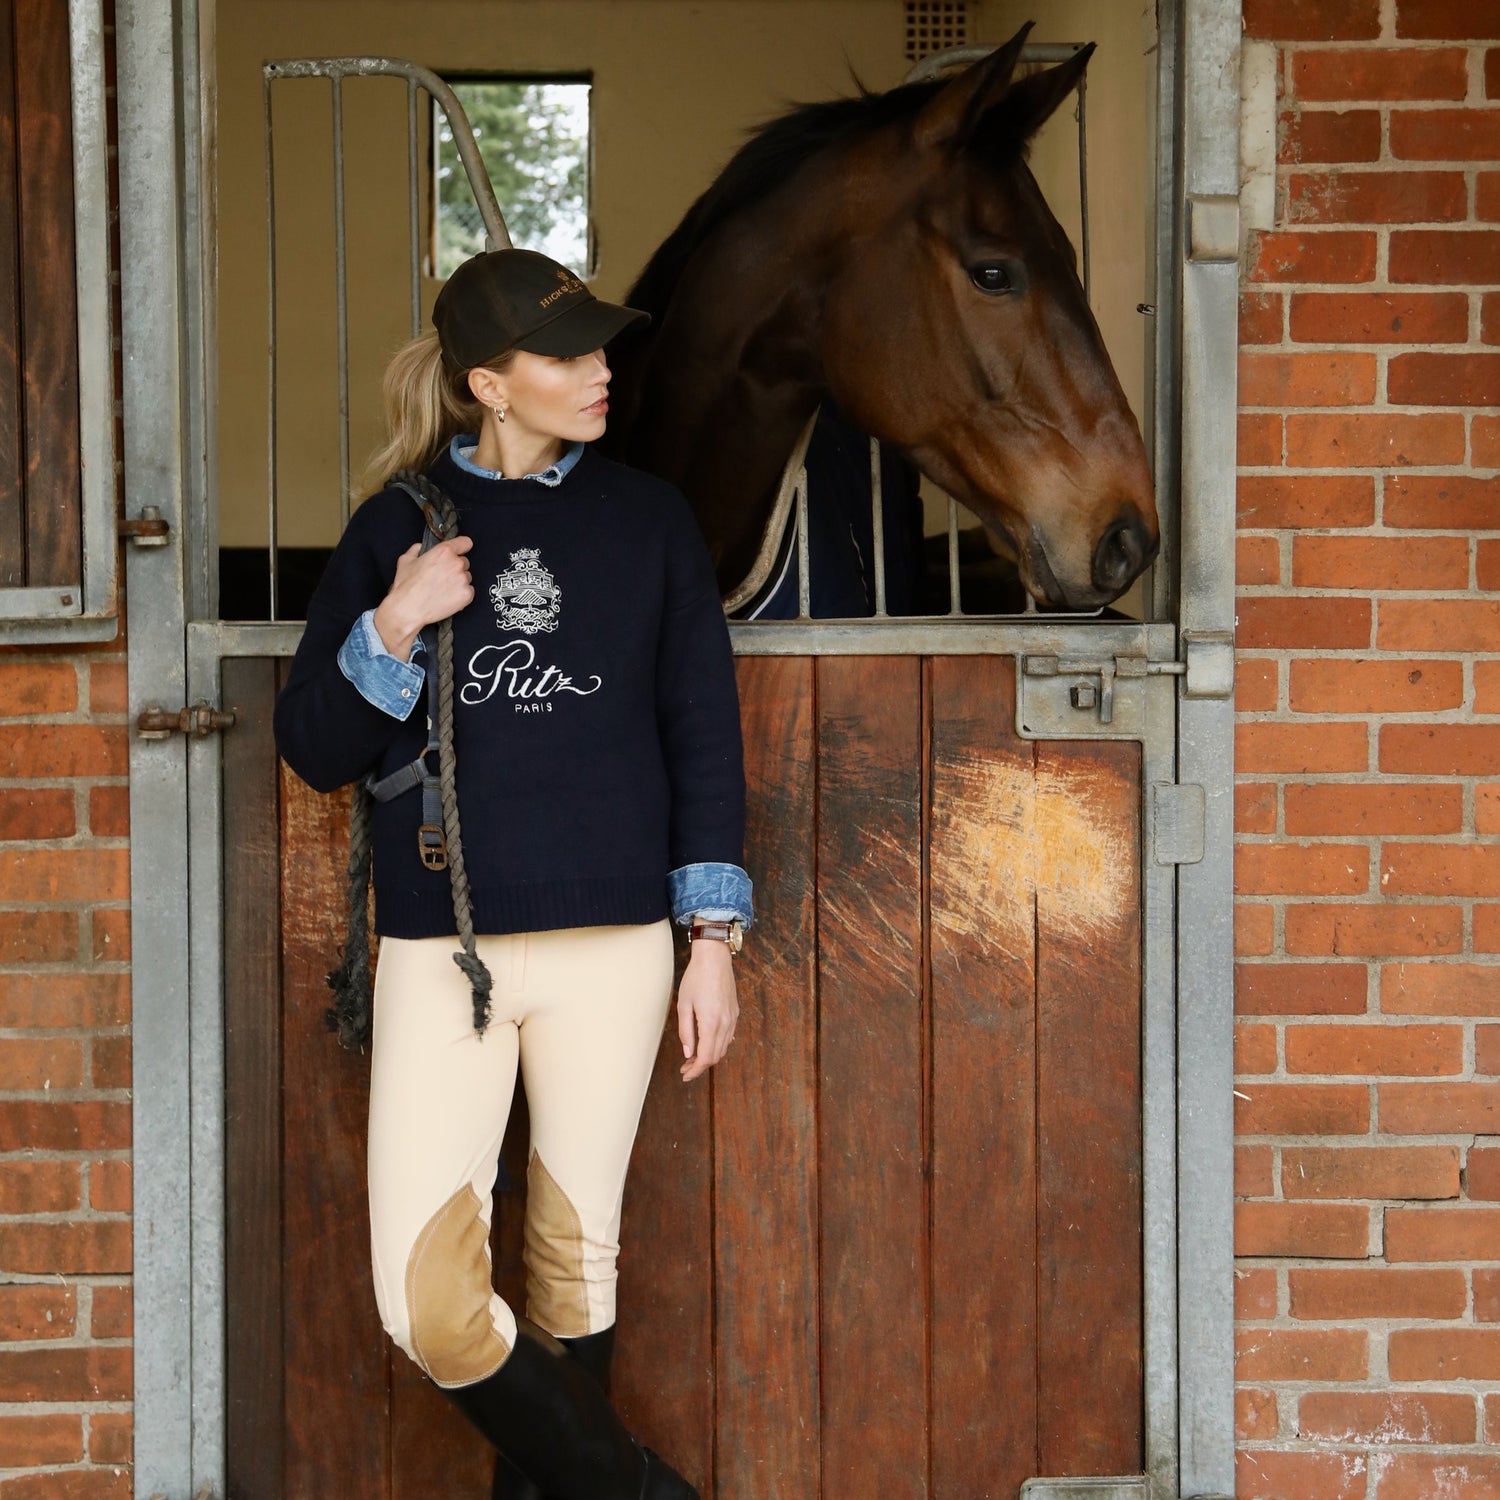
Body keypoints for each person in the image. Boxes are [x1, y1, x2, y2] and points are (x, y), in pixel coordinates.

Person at [273, 247, 751, 1500]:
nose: (601, 372)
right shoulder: (398, 529)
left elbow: (702, 732)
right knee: (426, 1303)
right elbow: (313, 747)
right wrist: (395, 621)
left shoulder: (648, 521)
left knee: (574, 1267)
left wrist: (711, 941)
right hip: (445, 947)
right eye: (568, 354)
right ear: (489, 383)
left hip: (617, 949)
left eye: (600, 349)